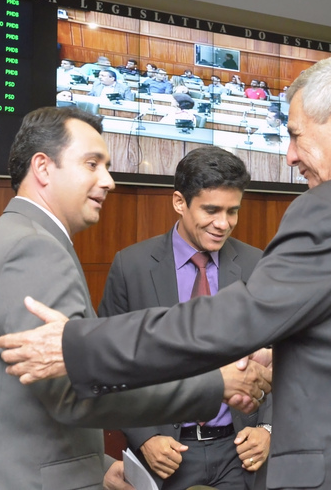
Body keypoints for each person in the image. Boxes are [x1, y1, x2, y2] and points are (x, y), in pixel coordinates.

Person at [0, 57, 331, 490]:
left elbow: (232, 319)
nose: (289, 155)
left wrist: (78, 344)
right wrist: (284, 355)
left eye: (295, 134)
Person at [0, 106, 271, 490]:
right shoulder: (32, 250)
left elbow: (38, 396)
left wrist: (98, 466)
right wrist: (213, 384)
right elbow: (75, 388)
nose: (108, 180)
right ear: (43, 168)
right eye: (92, 164)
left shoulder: (17, 236)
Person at [98, 147, 272, 490]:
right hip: (165, 453)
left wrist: (267, 429)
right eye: (211, 210)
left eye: (233, 211)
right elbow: (110, 364)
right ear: (179, 202)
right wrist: (145, 436)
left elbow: (284, 354)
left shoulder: (257, 265)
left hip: (240, 451)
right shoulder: (131, 268)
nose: (223, 223)